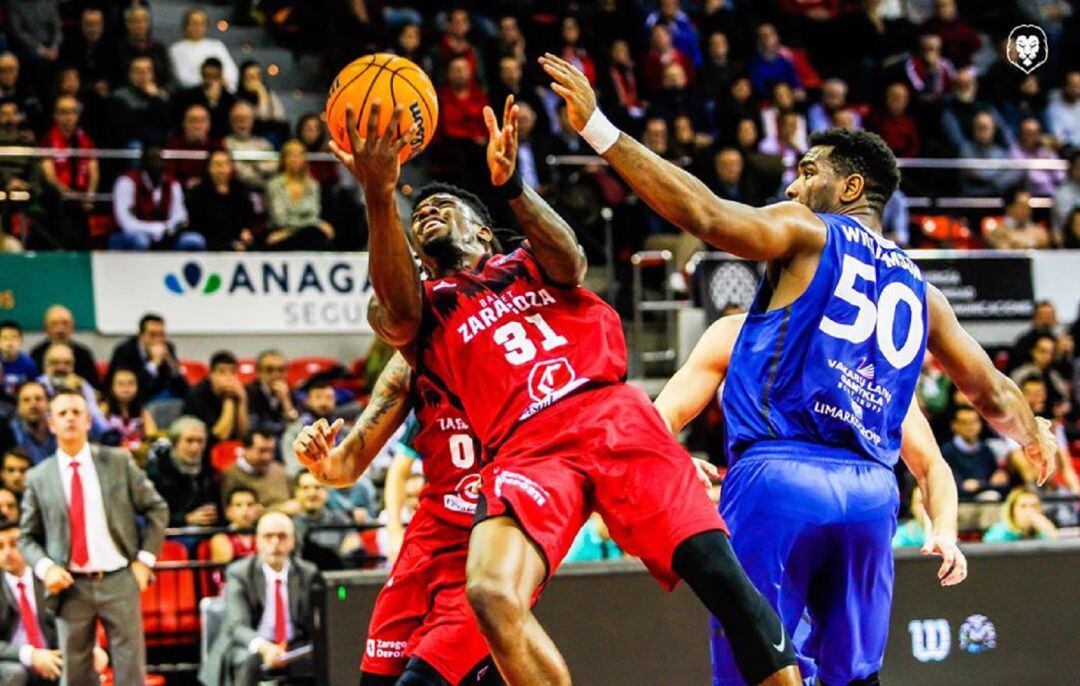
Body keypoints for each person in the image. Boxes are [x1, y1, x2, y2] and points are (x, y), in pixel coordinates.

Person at [538, 53, 1057, 686]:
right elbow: (991, 391)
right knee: (854, 676)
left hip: (781, 478)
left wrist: (599, 130)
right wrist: (1031, 432)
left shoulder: (810, 230)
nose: (792, 188)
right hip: (873, 495)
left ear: (850, 189)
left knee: (755, 668)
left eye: (808, 172)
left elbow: (704, 215)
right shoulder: (924, 293)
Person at [329, 94, 802, 685]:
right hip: (525, 447)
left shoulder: (528, 261)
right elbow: (396, 311)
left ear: (484, 232)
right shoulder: (423, 311)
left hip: (609, 414)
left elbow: (572, 260)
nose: (426, 213)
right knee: (491, 593)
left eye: (443, 206)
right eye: (418, 215)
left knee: (720, 577)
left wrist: (513, 188)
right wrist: (379, 194)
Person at [294, 353, 499, 685]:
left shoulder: (523, 376)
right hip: (426, 544)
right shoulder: (416, 366)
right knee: (376, 677)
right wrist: (320, 463)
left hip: (487, 550)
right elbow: (347, 467)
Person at [19, 389, 167, 686]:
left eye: (77, 412)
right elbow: (26, 537)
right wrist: (47, 568)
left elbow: (157, 508)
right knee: (75, 674)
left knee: (131, 672)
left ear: (89, 421)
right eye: (62, 413)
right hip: (70, 585)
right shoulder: (38, 476)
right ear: (51, 423)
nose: (70, 418)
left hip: (119, 577)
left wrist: (145, 560)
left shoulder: (118, 461)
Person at [199, 512, 315, 686]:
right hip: (250, 644)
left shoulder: (308, 573)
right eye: (268, 536)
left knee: (323, 655)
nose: (275, 542)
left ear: (293, 541)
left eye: (282, 536)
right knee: (249, 660)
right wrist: (265, 648)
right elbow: (237, 626)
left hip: (294, 645)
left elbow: (315, 621)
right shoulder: (239, 573)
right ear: (258, 541)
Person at [0, 516, 110, 684]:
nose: (7, 552)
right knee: (15, 673)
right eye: (0, 547)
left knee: (83, 665)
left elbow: (76, 619)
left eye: (14, 544)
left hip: (52, 657)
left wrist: (93, 647)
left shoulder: (50, 578)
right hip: (11, 660)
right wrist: (31, 654)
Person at [110, 146, 202, 251]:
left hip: (166, 236)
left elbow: (180, 217)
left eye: (159, 160)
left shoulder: (173, 184)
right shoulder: (127, 182)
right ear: (143, 163)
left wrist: (166, 230)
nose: (157, 164)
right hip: (128, 235)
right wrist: (157, 229)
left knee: (194, 240)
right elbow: (126, 223)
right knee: (141, 240)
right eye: (152, 159)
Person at [145, 416, 219, 530]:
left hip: (206, 531)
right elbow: (151, 515)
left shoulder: (209, 470)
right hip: (170, 533)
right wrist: (186, 518)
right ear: (175, 443)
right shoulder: (156, 472)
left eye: (200, 441)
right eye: (189, 441)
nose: (195, 447)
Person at [264, 140, 334, 250]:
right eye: (291, 155)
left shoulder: (313, 185)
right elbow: (279, 219)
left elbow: (314, 214)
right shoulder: (274, 185)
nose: (295, 159)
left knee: (315, 235)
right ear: (284, 159)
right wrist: (314, 223)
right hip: (280, 232)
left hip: (302, 233)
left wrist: (289, 232)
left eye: (299, 155)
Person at [185, 150, 256, 251]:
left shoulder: (240, 190)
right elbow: (198, 224)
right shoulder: (199, 192)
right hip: (209, 238)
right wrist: (228, 243)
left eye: (225, 165)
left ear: (231, 167)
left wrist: (245, 231)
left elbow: (248, 217)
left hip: (237, 237)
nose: (221, 169)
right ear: (209, 168)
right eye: (217, 165)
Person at [108, 313, 188, 404]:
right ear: (141, 335)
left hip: (161, 397)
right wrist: (154, 363)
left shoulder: (168, 347)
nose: (158, 339)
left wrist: (172, 366)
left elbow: (180, 385)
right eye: (152, 335)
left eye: (162, 334)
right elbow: (130, 387)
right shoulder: (125, 350)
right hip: (136, 400)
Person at [940, 406, 1009, 497]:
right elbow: (958, 487)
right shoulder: (947, 451)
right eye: (964, 422)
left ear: (980, 425)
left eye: (974, 422)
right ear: (954, 426)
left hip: (987, 497)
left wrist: (981, 484)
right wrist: (987, 484)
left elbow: (999, 482)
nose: (970, 427)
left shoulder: (985, 450)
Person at [182, 351, 249, 444]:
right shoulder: (197, 396)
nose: (228, 377)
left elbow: (243, 435)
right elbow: (221, 436)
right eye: (222, 372)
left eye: (233, 372)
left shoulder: (239, 391)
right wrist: (228, 398)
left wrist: (243, 401)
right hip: (203, 446)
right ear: (210, 374)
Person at [29, 306, 99, 390]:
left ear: (72, 326)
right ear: (46, 327)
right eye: (54, 324)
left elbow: (94, 388)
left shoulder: (83, 354)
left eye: (65, 323)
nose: (60, 329)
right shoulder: (37, 353)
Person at [220, 430, 292, 512]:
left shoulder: (280, 470)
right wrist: (280, 509)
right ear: (245, 450)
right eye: (262, 451)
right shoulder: (233, 475)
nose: (267, 457)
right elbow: (234, 513)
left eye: (271, 451)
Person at [169, 8, 238, 91]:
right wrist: (207, 84)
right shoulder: (176, 49)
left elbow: (231, 70)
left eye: (203, 23)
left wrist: (223, 82)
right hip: (193, 93)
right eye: (195, 23)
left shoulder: (216, 45)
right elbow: (182, 77)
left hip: (220, 90)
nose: (199, 27)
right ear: (186, 25)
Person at [245, 351, 298, 442]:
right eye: (269, 370)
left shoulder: (290, 393)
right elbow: (251, 427)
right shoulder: (249, 392)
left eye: (280, 370)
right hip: (260, 442)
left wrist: (285, 400)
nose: (276, 375)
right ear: (259, 373)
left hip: (284, 443)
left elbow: (296, 428)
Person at [100, 368, 156, 452]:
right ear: (112, 387)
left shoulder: (142, 410)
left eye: (131, 383)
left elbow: (152, 435)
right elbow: (98, 437)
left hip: (138, 453)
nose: (126, 388)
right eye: (120, 384)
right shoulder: (105, 409)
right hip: (112, 452)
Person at [208, 487, 259, 570]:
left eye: (250, 505)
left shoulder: (263, 536)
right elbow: (227, 572)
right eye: (238, 505)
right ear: (228, 512)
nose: (245, 510)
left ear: (257, 510)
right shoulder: (221, 538)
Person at [982, 486, 1058, 542]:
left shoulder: (1042, 532)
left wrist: (1048, 528)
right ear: (1012, 511)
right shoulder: (1000, 533)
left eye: (1034, 506)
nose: (1030, 511)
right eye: (1023, 506)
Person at [8, 383, 54, 465]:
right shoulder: (9, 433)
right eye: (26, 400)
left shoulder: (59, 430)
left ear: (48, 404)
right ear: (18, 407)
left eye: (38, 399)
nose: (33, 405)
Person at [0, 322, 38, 402]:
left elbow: (33, 388)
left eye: (14, 338)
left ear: (21, 341)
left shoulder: (29, 364)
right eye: (4, 338)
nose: (9, 343)